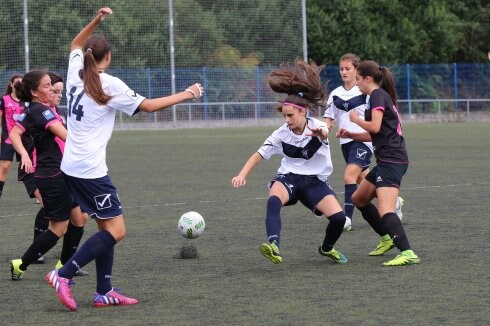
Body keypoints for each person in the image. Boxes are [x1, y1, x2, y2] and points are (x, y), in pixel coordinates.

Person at [45, 7, 204, 311]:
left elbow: (75, 45)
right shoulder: (108, 84)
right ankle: (62, 274)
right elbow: (148, 106)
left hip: (72, 167)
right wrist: (187, 94)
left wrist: (95, 20)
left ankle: (104, 291)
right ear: (107, 58)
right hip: (91, 171)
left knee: (107, 228)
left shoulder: (76, 74)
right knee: (117, 231)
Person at [231, 58, 348, 266]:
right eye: (284, 116)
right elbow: (258, 154)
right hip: (289, 177)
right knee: (273, 199)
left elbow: (323, 134)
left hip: (314, 182)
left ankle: (326, 248)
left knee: (339, 219)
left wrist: (321, 133)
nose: (287, 120)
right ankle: (274, 245)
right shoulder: (281, 133)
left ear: (303, 112)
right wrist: (242, 174)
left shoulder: (318, 126)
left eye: (290, 115)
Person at [338, 60, 419, 266]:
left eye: (358, 79)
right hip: (386, 160)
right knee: (359, 199)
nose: (356, 85)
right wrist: (352, 134)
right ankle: (386, 237)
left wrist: (355, 120)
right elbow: (377, 133)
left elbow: (374, 126)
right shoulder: (378, 96)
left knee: (386, 210)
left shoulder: (377, 95)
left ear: (367, 78)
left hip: (392, 161)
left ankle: (407, 252)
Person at [9, 70, 88, 281]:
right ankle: (21, 264)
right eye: (46, 86)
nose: (52, 89)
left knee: (79, 218)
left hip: (62, 172)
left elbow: (14, 133)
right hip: (53, 176)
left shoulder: (33, 109)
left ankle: (65, 265)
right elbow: (65, 136)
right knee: (58, 228)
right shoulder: (42, 112)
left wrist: (24, 153)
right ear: (34, 92)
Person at [323, 53, 404, 231]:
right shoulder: (335, 94)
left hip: (364, 142)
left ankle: (347, 219)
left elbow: (376, 124)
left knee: (349, 175)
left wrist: (357, 122)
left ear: (357, 71)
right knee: (363, 182)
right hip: (346, 141)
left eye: (348, 69)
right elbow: (329, 118)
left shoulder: (367, 93)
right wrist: (323, 130)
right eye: (341, 69)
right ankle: (394, 200)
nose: (344, 72)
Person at [0, 74, 42, 204]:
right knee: (5, 166)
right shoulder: (4, 99)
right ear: (11, 84)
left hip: (26, 138)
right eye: (17, 82)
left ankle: (37, 191)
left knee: (30, 164)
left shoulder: (28, 100)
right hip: (9, 137)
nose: (19, 85)